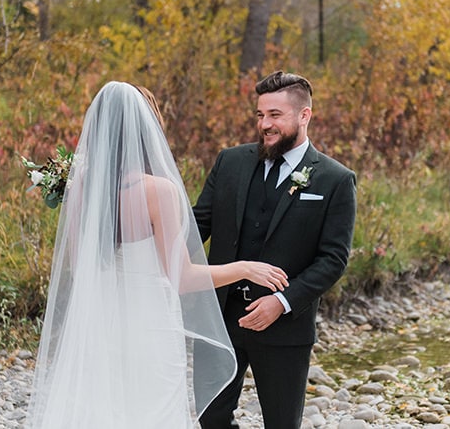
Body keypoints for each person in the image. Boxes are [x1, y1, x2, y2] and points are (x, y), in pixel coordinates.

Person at [27, 81, 290, 428]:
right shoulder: (158, 192)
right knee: (151, 412)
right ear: (144, 129)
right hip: (149, 325)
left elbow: (80, 267)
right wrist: (244, 268)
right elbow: (182, 277)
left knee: (103, 411)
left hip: (101, 325)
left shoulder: (80, 189)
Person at [194, 71, 357, 429]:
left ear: (304, 116)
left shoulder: (335, 179)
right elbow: (193, 228)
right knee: (211, 420)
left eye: (274, 115)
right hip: (219, 317)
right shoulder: (229, 162)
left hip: (284, 327)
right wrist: (134, 212)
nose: (264, 124)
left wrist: (281, 302)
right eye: (259, 115)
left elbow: (333, 259)